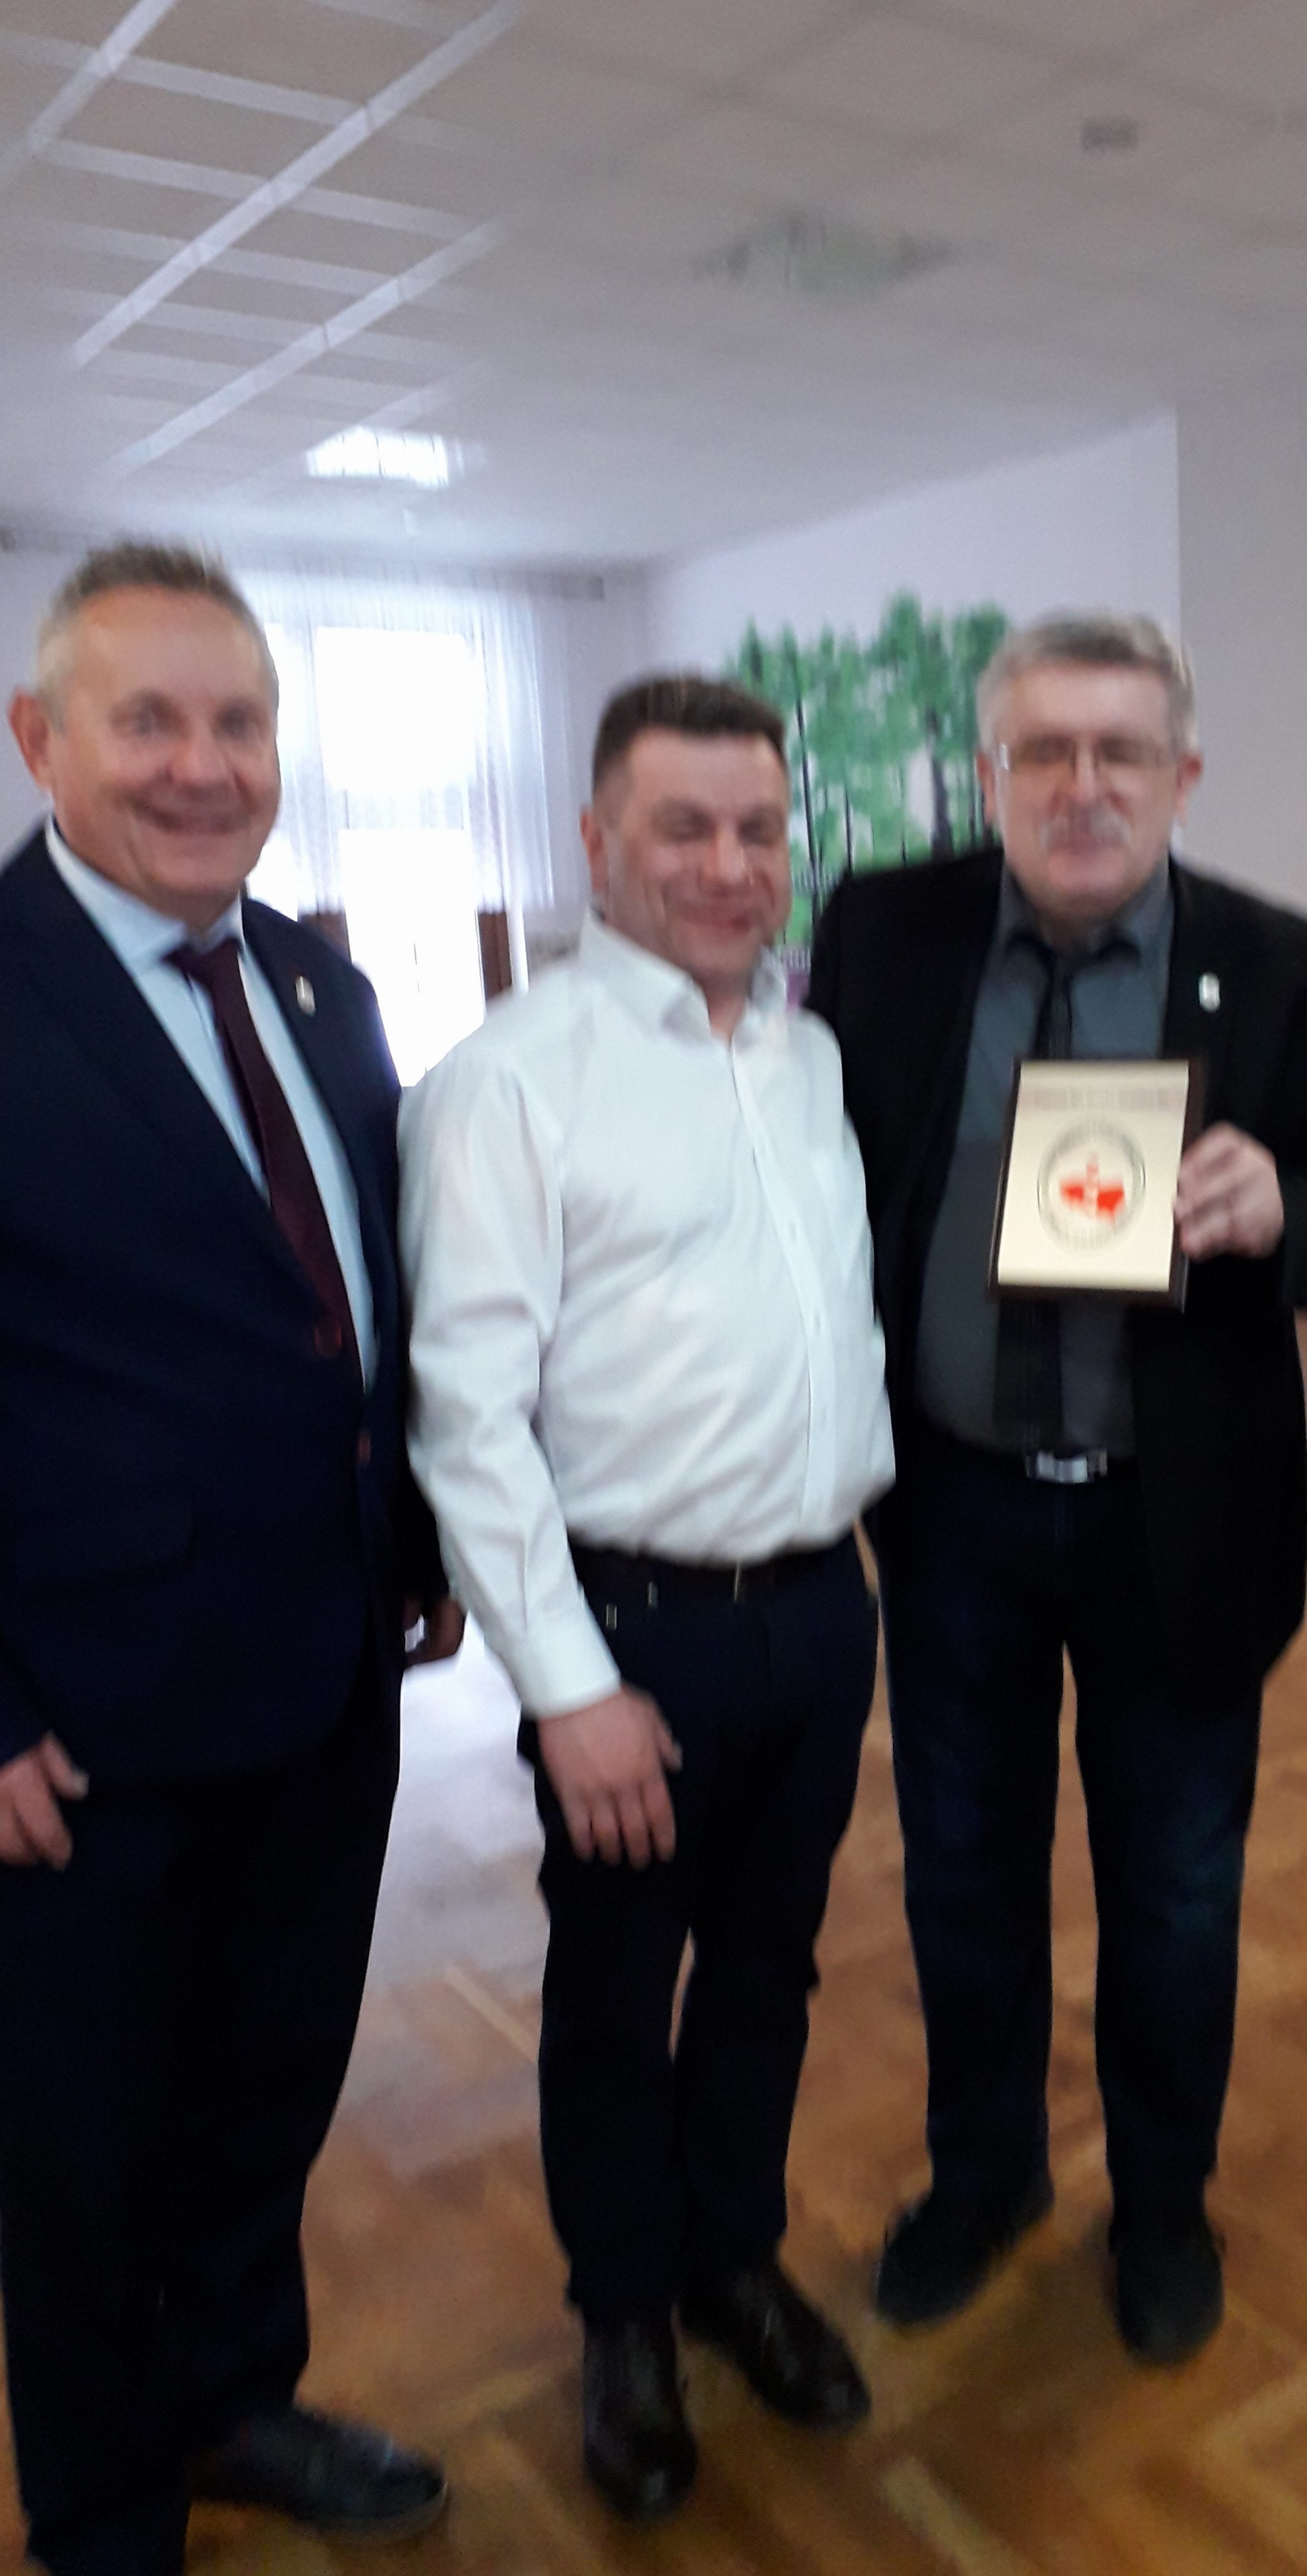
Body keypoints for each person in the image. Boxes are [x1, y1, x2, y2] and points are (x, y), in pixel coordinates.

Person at [808, 612, 1307, 2364]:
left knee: (1176, 1898)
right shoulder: (884, 933)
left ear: (1182, 775)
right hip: (956, 1514)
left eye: (1120, 752)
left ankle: (1161, 2208)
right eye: (1043, 752)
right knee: (960, 1875)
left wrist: (1291, 1208)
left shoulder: (1299, 972)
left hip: (1176, 1522)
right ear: (990, 774)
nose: (1082, 786)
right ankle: (985, 2177)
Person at [0, 544, 463, 2576]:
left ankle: (233, 2400)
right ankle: (105, 2521)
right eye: (151, 722)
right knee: (84, 2150)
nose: (205, 766)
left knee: (267, 2087)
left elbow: (355, 1295)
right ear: (41, 741)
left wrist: (413, 1539)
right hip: (83, 1725)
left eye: (241, 723)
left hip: (326, 1670)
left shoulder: (318, 982)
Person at [401, 672, 894, 2523]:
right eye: (683, 828)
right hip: (636, 1640)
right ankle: (623, 2316)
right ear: (599, 842)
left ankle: (731, 2263)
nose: (727, 864)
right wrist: (566, 1685)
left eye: (759, 830)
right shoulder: (510, 1082)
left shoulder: (809, 1058)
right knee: (618, 1995)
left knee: (769, 1967)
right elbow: (467, 1415)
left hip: (818, 1610)